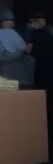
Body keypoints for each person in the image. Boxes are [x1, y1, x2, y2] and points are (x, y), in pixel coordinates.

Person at [25, 11, 53, 146]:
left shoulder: (34, 34)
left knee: (42, 98)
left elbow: (28, 50)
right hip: (51, 69)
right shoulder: (49, 33)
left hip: (41, 69)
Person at [0, 10, 33, 87]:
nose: (13, 23)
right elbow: (16, 50)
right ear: (4, 22)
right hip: (10, 67)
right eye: (10, 21)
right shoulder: (9, 33)